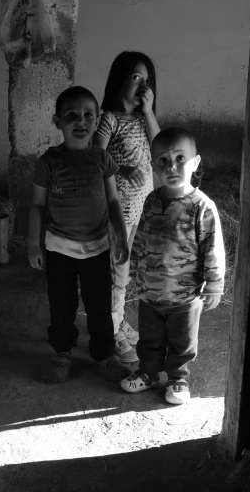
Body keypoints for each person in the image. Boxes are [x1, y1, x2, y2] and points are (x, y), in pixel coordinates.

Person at [28, 86, 132, 384]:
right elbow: (36, 204)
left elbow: (114, 201)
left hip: (98, 248)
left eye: (88, 115)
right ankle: (62, 354)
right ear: (56, 121)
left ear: (97, 120)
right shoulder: (48, 162)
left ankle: (104, 355)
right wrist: (34, 244)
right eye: (71, 115)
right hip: (59, 249)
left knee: (100, 306)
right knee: (62, 307)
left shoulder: (102, 159)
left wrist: (121, 238)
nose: (80, 121)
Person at [120, 127, 225, 405]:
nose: (172, 167)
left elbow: (213, 249)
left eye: (180, 158)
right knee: (149, 339)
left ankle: (178, 379)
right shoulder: (152, 201)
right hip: (150, 293)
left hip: (185, 296)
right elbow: (140, 237)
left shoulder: (202, 206)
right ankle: (149, 373)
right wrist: (133, 269)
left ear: (196, 162)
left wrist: (214, 285)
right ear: (154, 165)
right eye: (163, 161)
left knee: (182, 341)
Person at [94, 51, 161, 363]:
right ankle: (110, 332)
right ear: (119, 79)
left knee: (126, 272)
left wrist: (148, 113)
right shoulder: (109, 119)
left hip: (138, 212)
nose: (142, 85)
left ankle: (116, 321)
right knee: (115, 272)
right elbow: (95, 159)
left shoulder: (140, 119)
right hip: (116, 212)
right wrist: (121, 170)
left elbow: (160, 147)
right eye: (136, 77)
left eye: (147, 80)